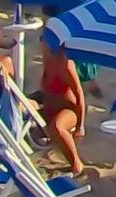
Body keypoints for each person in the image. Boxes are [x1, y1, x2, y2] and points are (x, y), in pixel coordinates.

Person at [35, 36, 88, 175]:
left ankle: (77, 164)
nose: (41, 43)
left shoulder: (66, 64)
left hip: (69, 110)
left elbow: (79, 94)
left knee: (56, 127)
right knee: (22, 111)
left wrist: (80, 126)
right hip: (50, 108)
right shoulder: (47, 60)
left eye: (43, 40)